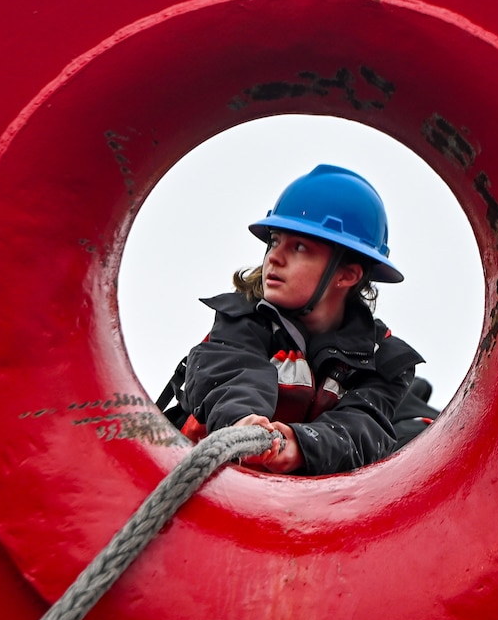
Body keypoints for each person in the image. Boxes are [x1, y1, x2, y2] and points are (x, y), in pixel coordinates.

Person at [157, 165, 426, 475]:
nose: (275, 257)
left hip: (306, 505)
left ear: (347, 274)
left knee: (411, 433)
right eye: (274, 241)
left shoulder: (384, 359)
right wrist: (243, 423)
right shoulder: (242, 317)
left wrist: (302, 445)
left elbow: (365, 424)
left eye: (299, 247)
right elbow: (233, 370)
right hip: (209, 478)